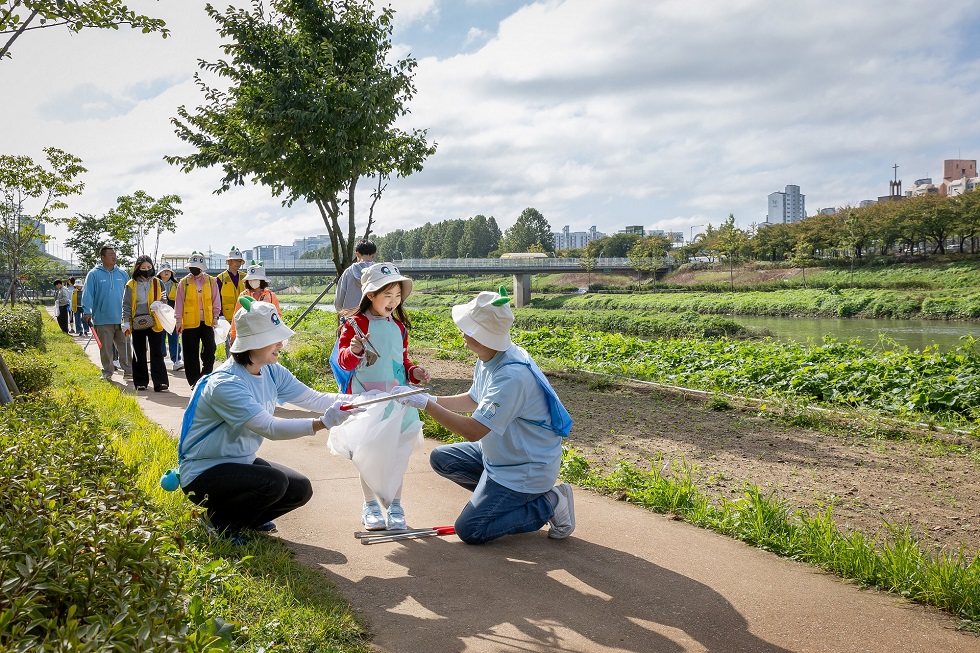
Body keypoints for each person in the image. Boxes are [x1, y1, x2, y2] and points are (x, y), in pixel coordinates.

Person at [391, 287, 575, 545]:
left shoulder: (511, 377)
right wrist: (428, 398)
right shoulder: (490, 356)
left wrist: (425, 405)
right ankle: (502, 501)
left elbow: (474, 431)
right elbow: (473, 399)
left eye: (469, 329)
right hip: (499, 457)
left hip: (524, 468)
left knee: (471, 529)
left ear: (485, 335)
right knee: (442, 459)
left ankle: (549, 502)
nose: (463, 333)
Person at [175, 297, 366, 544]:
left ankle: (245, 517)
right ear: (252, 343)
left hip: (240, 462)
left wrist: (362, 399)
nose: (281, 344)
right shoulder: (225, 384)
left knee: (300, 489)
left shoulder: (272, 371)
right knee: (274, 484)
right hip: (203, 471)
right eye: (273, 338)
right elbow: (270, 428)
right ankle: (218, 522)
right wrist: (323, 423)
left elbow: (313, 398)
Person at [331, 262, 431, 530]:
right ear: (370, 295)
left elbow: (402, 363)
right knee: (367, 453)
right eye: (387, 296)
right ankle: (371, 506)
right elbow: (344, 363)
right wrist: (354, 351)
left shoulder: (399, 327)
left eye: (397, 296)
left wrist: (415, 373)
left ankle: (395, 506)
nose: (394, 301)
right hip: (368, 400)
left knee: (399, 453)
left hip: (398, 400)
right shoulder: (355, 323)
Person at [82, 245, 132, 381]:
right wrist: (87, 311)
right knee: (105, 348)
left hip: (122, 318)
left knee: (125, 346)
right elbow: (88, 294)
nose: (114, 256)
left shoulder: (122, 273)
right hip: (102, 318)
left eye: (114, 254)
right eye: (110, 254)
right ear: (102, 257)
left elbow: (129, 294)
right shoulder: (94, 274)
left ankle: (128, 371)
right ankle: (107, 371)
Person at [175, 251, 222, 389]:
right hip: (189, 322)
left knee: (210, 348)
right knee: (190, 353)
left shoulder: (211, 281)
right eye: (191, 266)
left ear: (202, 267)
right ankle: (194, 381)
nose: (193, 269)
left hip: (207, 321)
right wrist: (179, 321)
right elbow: (179, 303)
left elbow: (216, 300)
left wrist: (215, 316)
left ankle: (206, 375)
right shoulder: (184, 283)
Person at [122, 255, 169, 393]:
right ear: (137, 268)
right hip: (137, 322)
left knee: (157, 352)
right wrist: (125, 321)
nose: (146, 270)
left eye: (149, 267)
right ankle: (141, 381)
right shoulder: (131, 284)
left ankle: (160, 382)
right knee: (139, 352)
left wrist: (159, 303)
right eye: (143, 268)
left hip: (155, 321)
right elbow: (126, 304)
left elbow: (164, 300)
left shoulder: (158, 283)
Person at [229, 261, 280, 341]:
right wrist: (233, 334)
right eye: (251, 279)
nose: (253, 281)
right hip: (247, 333)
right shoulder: (243, 295)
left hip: (266, 333)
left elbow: (277, 315)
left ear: (262, 280)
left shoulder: (271, 295)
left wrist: (277, 332)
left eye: (255, 279)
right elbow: (236, 316)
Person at [216, 247, 247, 351]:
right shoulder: (220, 278)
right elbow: (217, 298)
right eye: (235, 261)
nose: (237, 264)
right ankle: (230, 364)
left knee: (243, 342)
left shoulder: (245, 277)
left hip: (243, 315)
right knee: (230, 343)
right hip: (227, 317)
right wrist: (220, 315)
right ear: (229, 262)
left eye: (239, 261)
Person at [333, 239, 377, 313]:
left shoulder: (348, 272)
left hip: (351, 319)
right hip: (374, 319)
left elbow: (338, 302)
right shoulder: (379, 272)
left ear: (357, 254)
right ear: (374, 255)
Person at [157, 262, 182, 370]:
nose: (166, 272)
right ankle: (160, 359)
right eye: (164, 270)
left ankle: (176, 360)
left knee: (174, 338)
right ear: (160, 273)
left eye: (168, 270)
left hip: (172, 315)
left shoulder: (177, 285)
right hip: (159, 316)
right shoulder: (155, 284)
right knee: (160, 338)